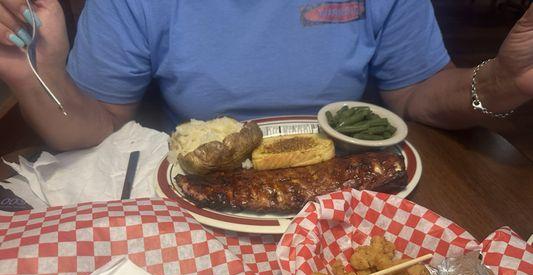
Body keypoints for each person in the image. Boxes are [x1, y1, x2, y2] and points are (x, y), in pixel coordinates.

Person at [0, 0, 531, 151]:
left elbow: (419, 94)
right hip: (199, 193)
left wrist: (506, 80)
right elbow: (95, 126)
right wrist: (35, 76)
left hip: (351, 183)